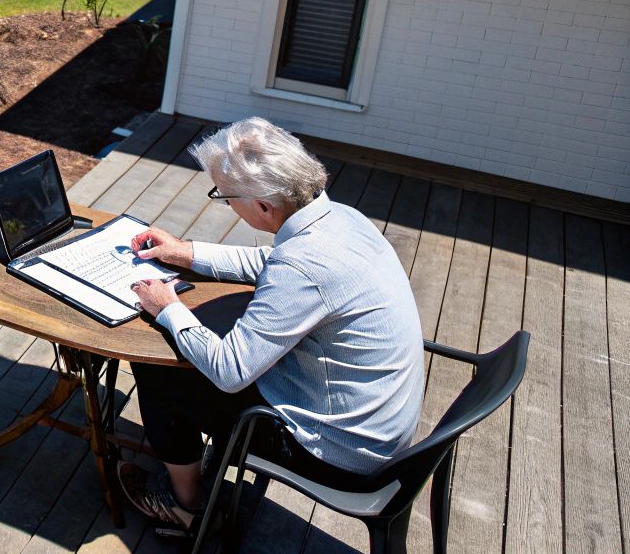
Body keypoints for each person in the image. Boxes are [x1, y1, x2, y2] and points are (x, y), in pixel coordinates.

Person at [118, 117, 425, 535]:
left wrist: (167, 306)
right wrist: (185, 252)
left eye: (226, 198)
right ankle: (198, 467)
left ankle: (186, 508)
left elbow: (230, 371)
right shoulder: (341, 219)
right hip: (377, 428)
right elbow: (271, 265)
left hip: (338, 454)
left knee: (160, 366)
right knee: (199, 351)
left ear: (262, 206)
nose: (227, 206)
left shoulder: (302, 266)